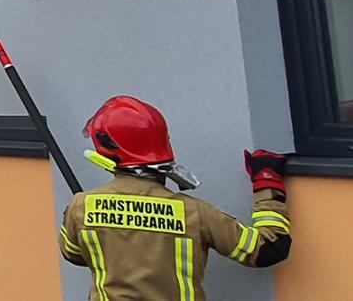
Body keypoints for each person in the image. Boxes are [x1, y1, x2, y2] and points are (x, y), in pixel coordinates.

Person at [60, 96, 292, 301]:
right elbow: (268, 249)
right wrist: (266, 182)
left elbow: (73, 253)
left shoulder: (81, 206)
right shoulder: (194, 213)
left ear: (105, 152)